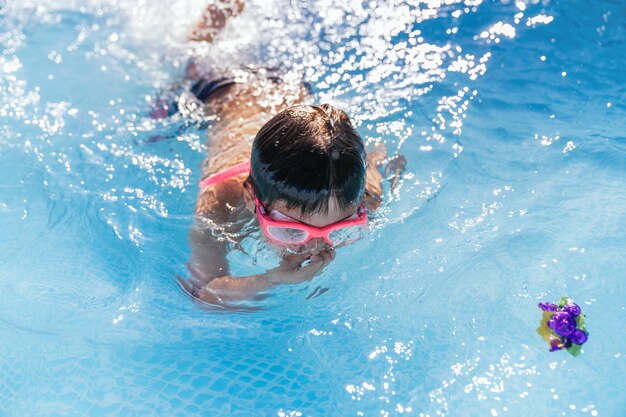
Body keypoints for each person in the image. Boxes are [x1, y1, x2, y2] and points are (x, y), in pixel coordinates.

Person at [170, 0, 405, 307]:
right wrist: (273, 277)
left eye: (340, 231)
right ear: (251, 199)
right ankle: (216, 15)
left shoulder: (362, 197)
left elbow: (381, 159)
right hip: (218, 89)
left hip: (288, 88)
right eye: (291, 233)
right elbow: (204, 294)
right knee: (192, 60)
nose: (314, 247)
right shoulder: (221, 199)